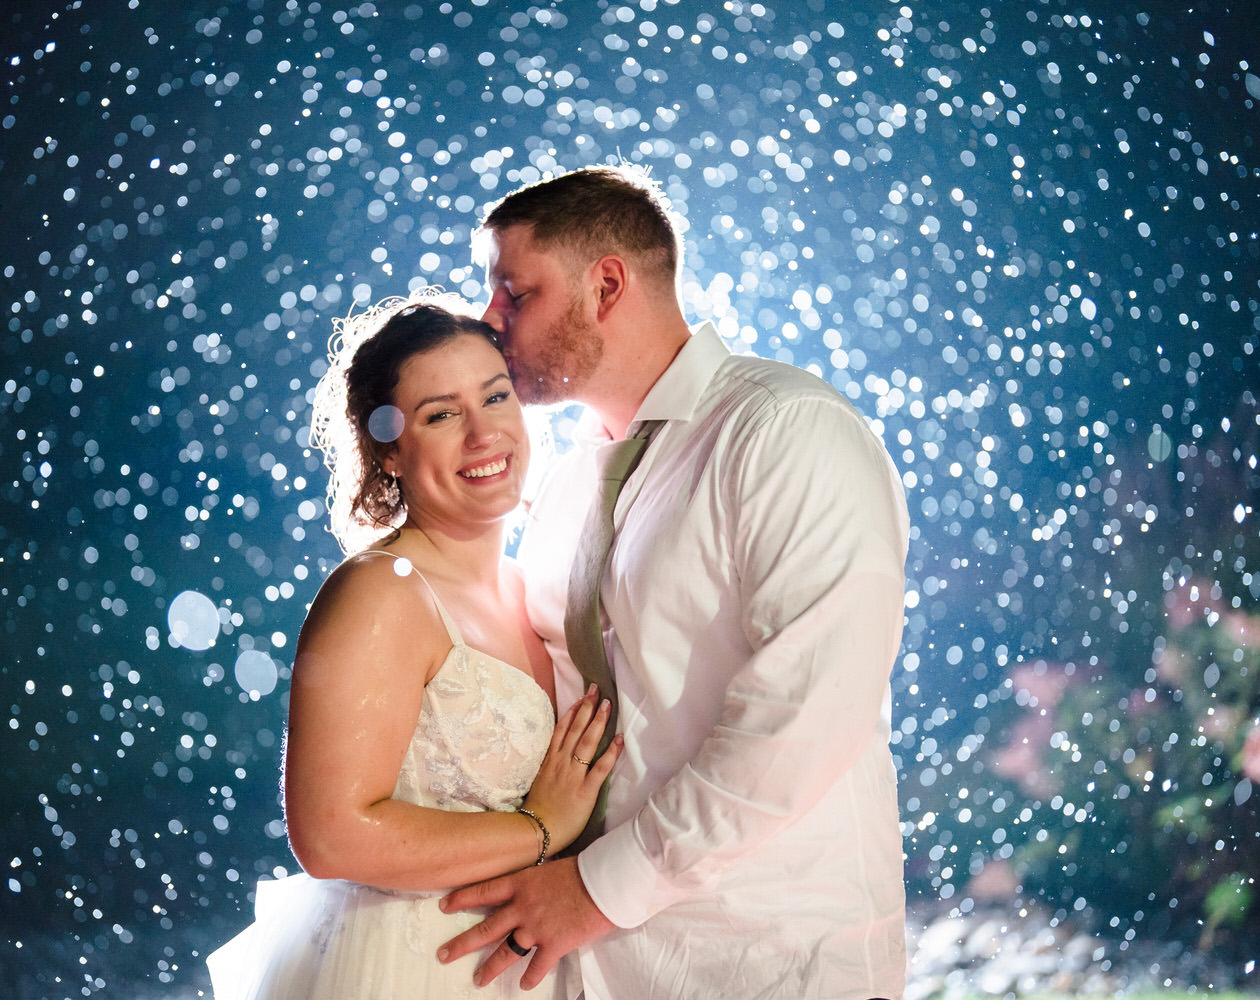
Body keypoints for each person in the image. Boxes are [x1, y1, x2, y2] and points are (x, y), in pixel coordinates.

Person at [436, 164, 911, 998]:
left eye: (516, 292)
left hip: (769, 952)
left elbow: (806, 717)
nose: (489, 319)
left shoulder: (787, 432)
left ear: (606, 284)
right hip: (589, 961)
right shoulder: (563, 484)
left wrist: (599, 890)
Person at [206, 292, 622, 999]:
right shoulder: (383, 591)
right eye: (440, 415)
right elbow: (332, 835)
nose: (482, 433)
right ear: (390, 453)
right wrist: (541, 830)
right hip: (414, 968)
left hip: (523, 967)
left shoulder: (532, 588)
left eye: (495, 398)